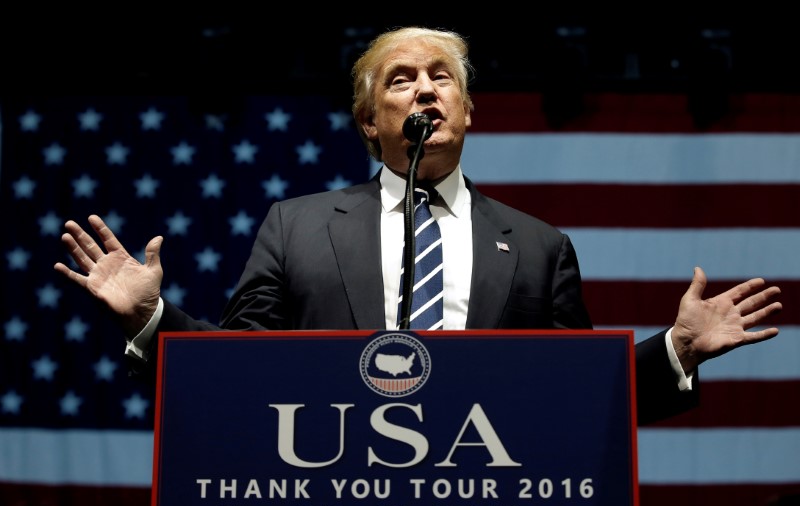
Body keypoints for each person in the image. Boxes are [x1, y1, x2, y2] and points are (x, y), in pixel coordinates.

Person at [54, 26, 782, 426]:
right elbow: (240, 364)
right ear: (370, 122)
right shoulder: (298, 226)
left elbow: (576, 390)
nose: (425, 87)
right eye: (400, 78)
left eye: (442, 76)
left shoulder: (537, 244)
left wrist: (674, 349)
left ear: (467, 111)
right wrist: (154, 317)